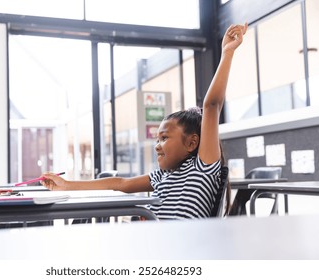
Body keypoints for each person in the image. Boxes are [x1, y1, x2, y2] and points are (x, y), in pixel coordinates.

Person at [41, 22, 247, 220]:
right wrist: (67, 185)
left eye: (164, 138)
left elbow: (212, 106)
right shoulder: (163, 175)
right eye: (157, 139)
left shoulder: (203, 166)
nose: (157, 146)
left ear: (192, 143)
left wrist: (227, 53)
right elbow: (120, 183)